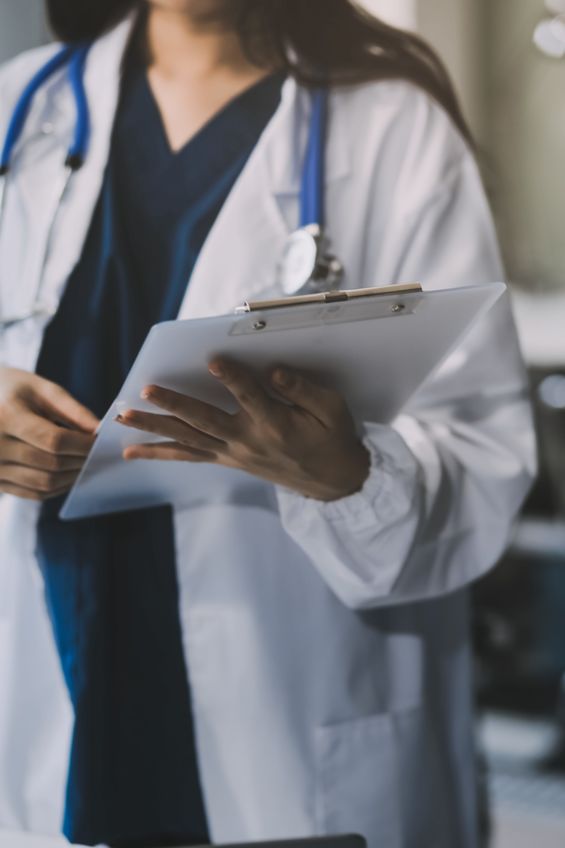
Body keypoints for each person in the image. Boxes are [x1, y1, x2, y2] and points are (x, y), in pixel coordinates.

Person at [0, 1, 536, 847]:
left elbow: (481, 447)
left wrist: (349, 477)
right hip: (56, 669)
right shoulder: (19, 105)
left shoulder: (390, 124)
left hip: (293, 699)